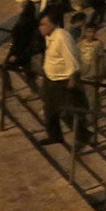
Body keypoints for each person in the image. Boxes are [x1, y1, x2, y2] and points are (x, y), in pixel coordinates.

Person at [39, 11, 86, 147]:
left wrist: (72, 79)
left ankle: (83, 135)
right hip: (50, 78)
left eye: (43, 24)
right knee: (49, 110)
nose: (40, 27)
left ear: (52, 25)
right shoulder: (49, 36)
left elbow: (71, 58)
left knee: (66, 112)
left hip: (62, 80)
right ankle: (55, 136)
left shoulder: (62, 37)